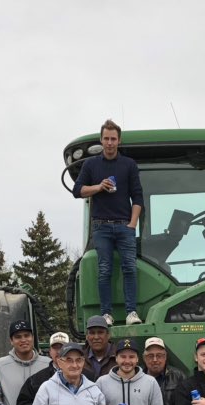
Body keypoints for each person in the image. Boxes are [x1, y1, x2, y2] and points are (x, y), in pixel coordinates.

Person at [72, 119, 145, 326]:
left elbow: (137, 197)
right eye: (106, 138)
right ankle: (106, 314)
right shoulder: (91, 164)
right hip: (101, 226)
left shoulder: (128, 165)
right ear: (101, 140)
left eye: (113, 139)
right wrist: (98, 187)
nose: (110, 142)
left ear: (119, 141)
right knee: (104, 269)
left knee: (129, 268)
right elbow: (78, 191)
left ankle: (131, 312)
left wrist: (132, 224)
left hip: (124, 225)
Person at [82, 315, 118, 381]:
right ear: (87, 336)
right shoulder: (80, 359)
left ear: (108, 335)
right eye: (92, 333)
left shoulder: (119, 357)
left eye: (100, 332)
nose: (96, 337)